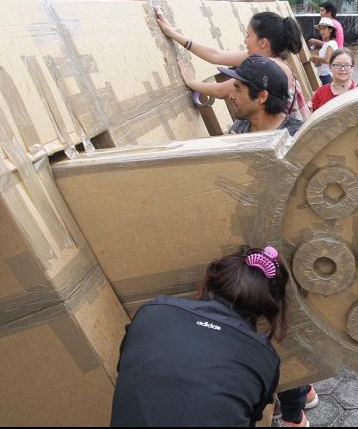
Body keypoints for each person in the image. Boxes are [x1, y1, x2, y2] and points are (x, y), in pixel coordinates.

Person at [217, 55, 317, 427]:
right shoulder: (241, 125)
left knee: (286, 335)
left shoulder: (296, 139)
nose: (230, 94)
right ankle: (300, 390)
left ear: (261, 96)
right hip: (249, 245)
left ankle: (294, 415)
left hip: (287, 253)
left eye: (238, 88)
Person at [110, 245, 289, 427]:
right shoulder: (264, 358)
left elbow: (126, 367)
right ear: (266, 309)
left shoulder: (153, 312)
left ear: (211, 278)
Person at [155, 9, 311, 122]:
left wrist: (191, 82)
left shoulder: (270, 69)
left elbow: (221, 90)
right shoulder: (264, 59)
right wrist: (175, 35)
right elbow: (216, 55)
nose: (245, 41)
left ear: (263, 42)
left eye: (248, 35)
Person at [217, 55, 301, 136]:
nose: (231, 96)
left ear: (262, 97)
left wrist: (242, 148)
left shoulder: (296, 136)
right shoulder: (239, 127)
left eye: (238, 89)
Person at [307, 17, 339, 86]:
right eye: (320, 29)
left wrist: (314, 57)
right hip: (325, 76)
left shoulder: (331, 44)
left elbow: (327, 60)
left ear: (330, 29)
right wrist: (317, 62)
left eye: (324, 29)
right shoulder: (327, 43)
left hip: (328, 76)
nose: (321, 31)